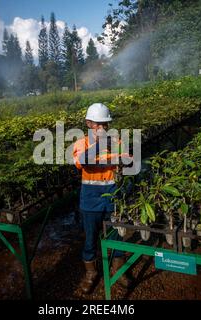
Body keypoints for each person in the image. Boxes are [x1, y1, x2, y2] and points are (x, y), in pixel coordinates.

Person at [72, 103, 131, 294]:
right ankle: (91, 274)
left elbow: (127, 158)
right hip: (90, 201)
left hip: (112, 197)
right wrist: (100, 146)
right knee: (90, 239)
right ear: (89, 124)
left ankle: (118, 269)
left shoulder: (116, 141)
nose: (103, 128)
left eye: (105, 124)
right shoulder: (82, 143)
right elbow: (81, 162)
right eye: (98, 124)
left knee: (116, 234)